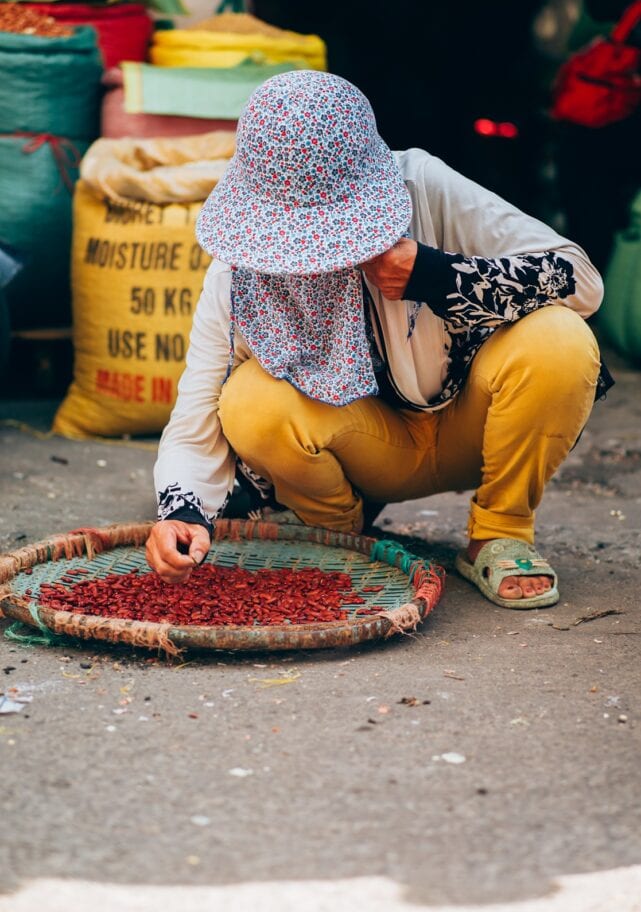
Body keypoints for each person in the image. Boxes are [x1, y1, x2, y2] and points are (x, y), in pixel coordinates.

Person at [145, 70, 611, 609]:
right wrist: (180, 514)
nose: (315, 251)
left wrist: (440, 275)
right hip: (363, 447)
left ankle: (500, 529)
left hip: (477, 422)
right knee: (247, 401)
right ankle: (342, 535)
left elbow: (582, 281)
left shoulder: (422, 185)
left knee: (560, 337)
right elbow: (197, 406)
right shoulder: (238, 270)